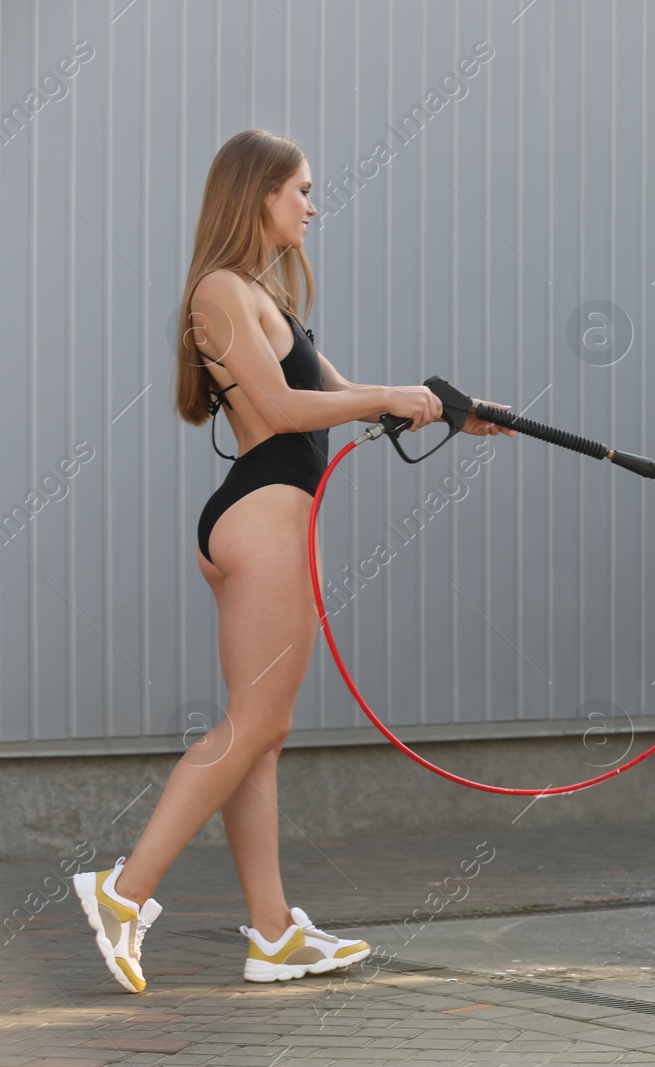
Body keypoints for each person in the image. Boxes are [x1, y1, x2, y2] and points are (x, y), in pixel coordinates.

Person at [72, 129, 515, 992]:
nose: (313, 206)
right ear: (260, 193)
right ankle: (123, 891)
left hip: (266, 519)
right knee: (252, 729)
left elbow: (338, 401)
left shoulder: (262, 294)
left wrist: (452, 413)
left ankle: (272, 932)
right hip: (263, 517)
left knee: (262, 740)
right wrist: (389, 396)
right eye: (302, 190)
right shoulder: (219, 291)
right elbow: (278, 408)